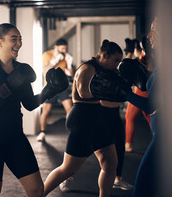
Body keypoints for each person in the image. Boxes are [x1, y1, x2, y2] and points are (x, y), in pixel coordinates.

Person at [0, 23, 69, 197]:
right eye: (14, 39)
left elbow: (29, 104)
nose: (18, 43)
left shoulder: (21, 69)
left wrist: (51, 89)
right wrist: (11, 83)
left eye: (20, 39)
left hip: (15, 137)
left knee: (36, 190)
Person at [89, 17, 158, 197]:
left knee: (142, 189)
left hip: (166, 139)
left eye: (155, 29)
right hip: (163, 137)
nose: (149, 35)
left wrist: (125, 94)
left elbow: (152, 106)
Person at [44, 40, 121, 197]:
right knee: (68, 169)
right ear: (105, 55)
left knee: (110, 163)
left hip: (97, 118)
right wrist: (112, 92)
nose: (117, 65)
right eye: (115, 60)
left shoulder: (104, 70)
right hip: (82, 119)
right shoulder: (88, 68)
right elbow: (85, 93)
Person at [37, 38, 73, 142]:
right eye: (62, 48)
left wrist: (69, 64)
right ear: (56, 47)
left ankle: (70, 131)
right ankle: (42, 132)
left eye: (65, 49)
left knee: (69, 109)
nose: (64, 51)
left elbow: (70, 73)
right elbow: (45, 70)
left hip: (62, 87)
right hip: (50, 86)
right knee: (46, 111)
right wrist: (54, 60)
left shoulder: (66, 56)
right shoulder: (47, 55)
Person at [124, 38, 151, 152]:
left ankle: (128, 145)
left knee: (129, 117)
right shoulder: (143, 58)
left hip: (141, 92)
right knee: (150, 118)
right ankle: (161, 141)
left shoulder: (144, 59)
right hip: (144, 92)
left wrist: (130, 52)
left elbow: (124, 67)